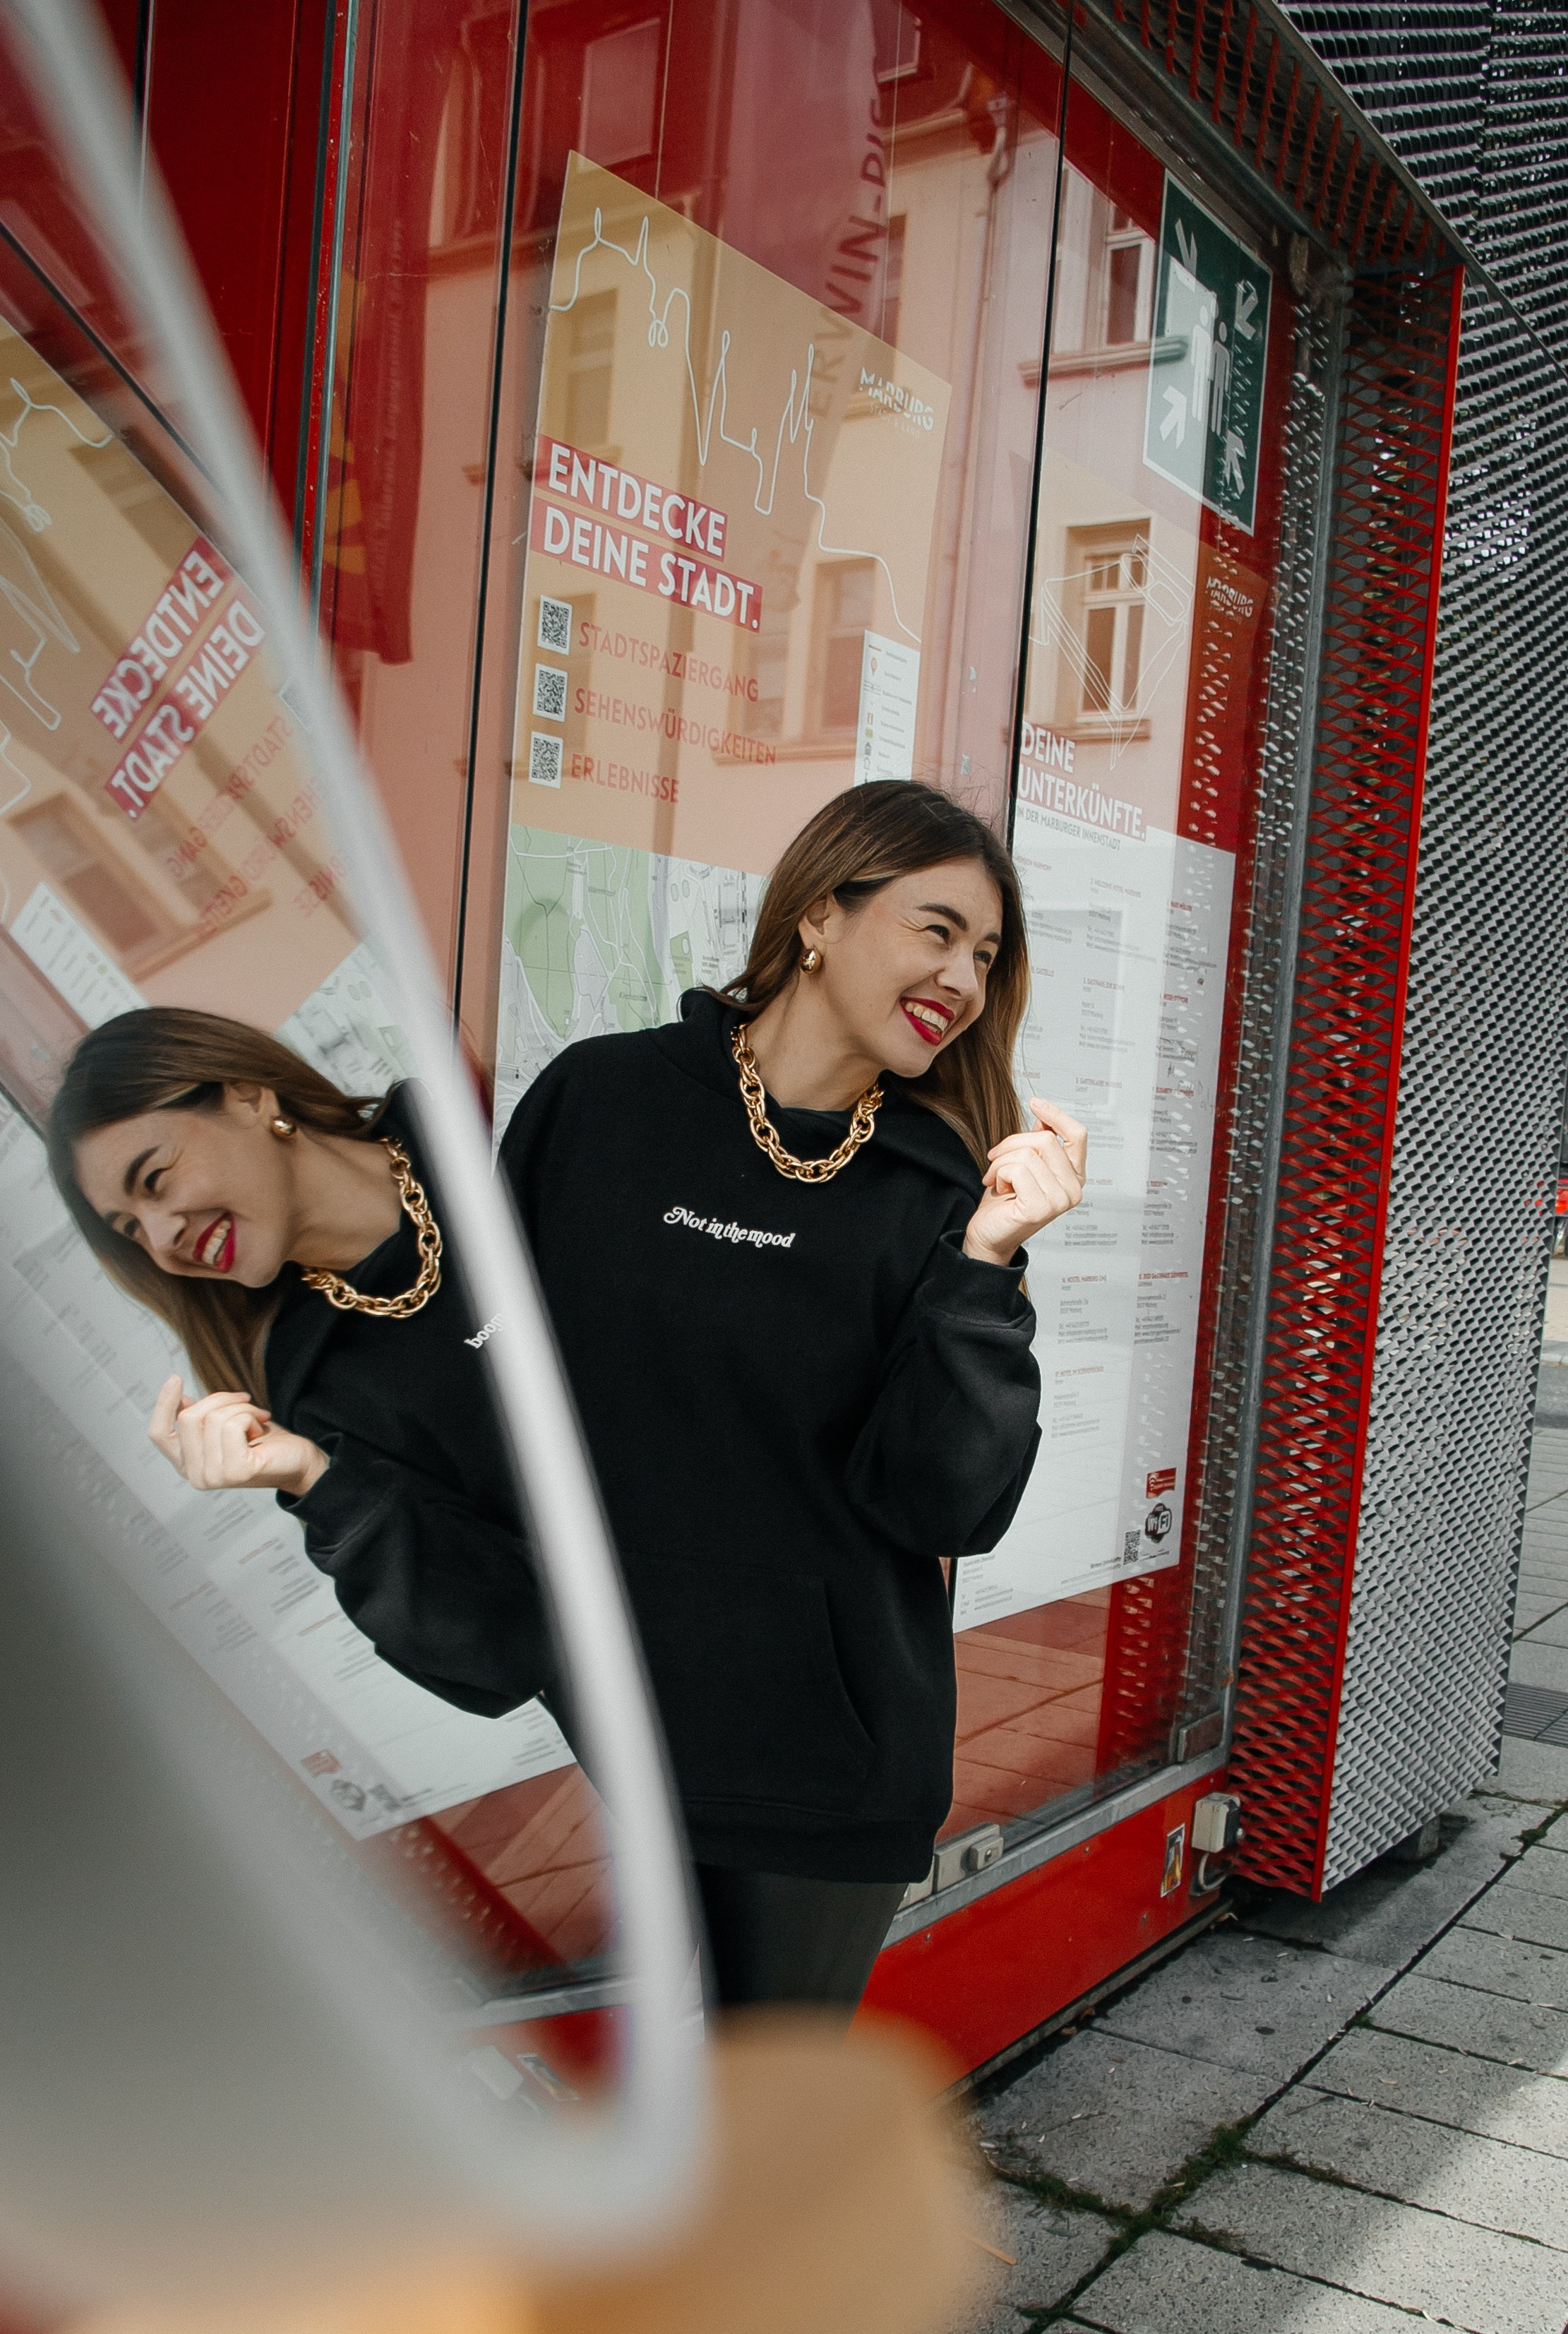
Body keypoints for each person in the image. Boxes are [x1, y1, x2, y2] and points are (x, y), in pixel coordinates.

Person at [51, 780, 1086, 2013]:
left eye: (984, 953)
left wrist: (985, 1267)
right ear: (819, 914)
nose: (965, 978)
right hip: (646, 1741)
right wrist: (317, 1475)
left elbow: (941, 1505)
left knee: (761, 2098)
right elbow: (508, 1453)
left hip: (832, 1746)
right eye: (937, 930)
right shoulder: (602, 1101)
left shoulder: (934, 1185)